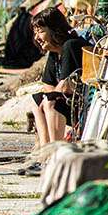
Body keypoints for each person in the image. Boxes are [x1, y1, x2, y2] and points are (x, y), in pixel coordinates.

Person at [28, 9, 85, 148]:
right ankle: (44, 150)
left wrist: (48, 98)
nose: (36, 37)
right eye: (35, 33)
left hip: (82, 106)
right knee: (36, 101)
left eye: (40, 31)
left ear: (54, 29)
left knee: (49, 102)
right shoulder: (54, 53)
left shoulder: (70, 45)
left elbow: (66, 86)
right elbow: (48, 86)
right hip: (68, 102)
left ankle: (55, 151)